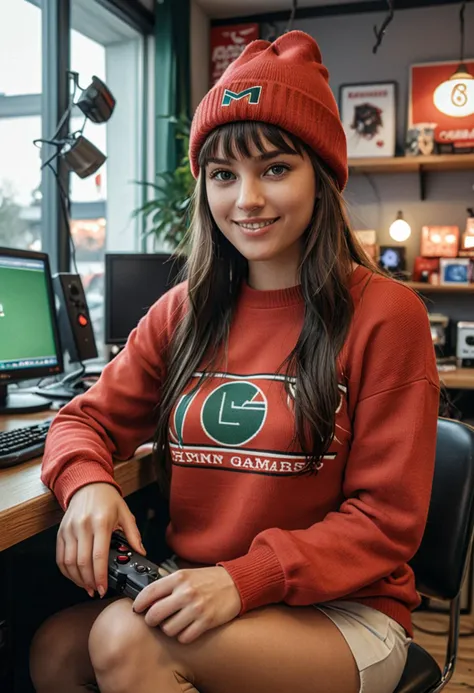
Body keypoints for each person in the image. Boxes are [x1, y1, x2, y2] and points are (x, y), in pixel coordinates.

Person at [29, 30, 440, 693]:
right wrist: (88, 483)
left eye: (275, 168)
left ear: (321, 174)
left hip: (344, 610)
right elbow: (83, 420)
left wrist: (244, 579)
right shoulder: (183, 311)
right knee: (52, 648)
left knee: (126, 641)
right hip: (201, 584)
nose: (245, 199)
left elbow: (385, 521)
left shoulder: (387, 314)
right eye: (223, 174)